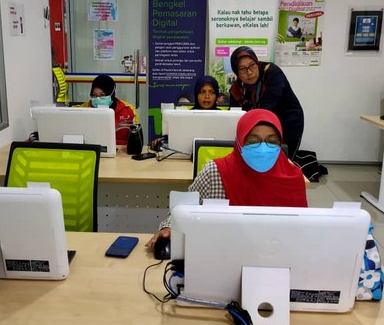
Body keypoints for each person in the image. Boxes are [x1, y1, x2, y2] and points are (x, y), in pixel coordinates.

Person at [146, 109, 307, 248]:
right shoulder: (216, 172)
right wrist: (169, 227)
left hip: (278, 255)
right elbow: (183, 209)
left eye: (272, 141)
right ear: (239, 142)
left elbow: (303, 230)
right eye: (253, 141)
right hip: (224, 253)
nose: (263, 148)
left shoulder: (293, 178)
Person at [228, 46, 304, 160]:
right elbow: (233, 116)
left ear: (257, 63)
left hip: (287, 122)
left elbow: (266, 110)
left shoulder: (272, 73)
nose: (249, 72)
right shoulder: (237, 88)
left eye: (252, 65)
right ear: (236, 72)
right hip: (261, 127)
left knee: (282, 160)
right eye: (243, 69)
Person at [79, 74, 139, 145]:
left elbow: (136, 138)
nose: (98, 99)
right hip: (92, 148)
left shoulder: (127, 109)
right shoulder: (83, 109)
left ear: (112, 94)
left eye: (102, 95)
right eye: (94, 95)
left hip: (121, 149)